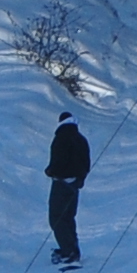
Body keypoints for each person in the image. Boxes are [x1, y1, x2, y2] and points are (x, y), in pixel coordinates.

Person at [46, 109, 91, 265]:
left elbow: (58, 163)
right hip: (75, 185)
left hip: (61, 184)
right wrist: (80, 179)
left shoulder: (60, 139)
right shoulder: (81, 139)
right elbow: (86, 164)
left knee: (56, 218)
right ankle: (73, 250)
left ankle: (68, 252)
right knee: (69, 218)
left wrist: (49, 171)